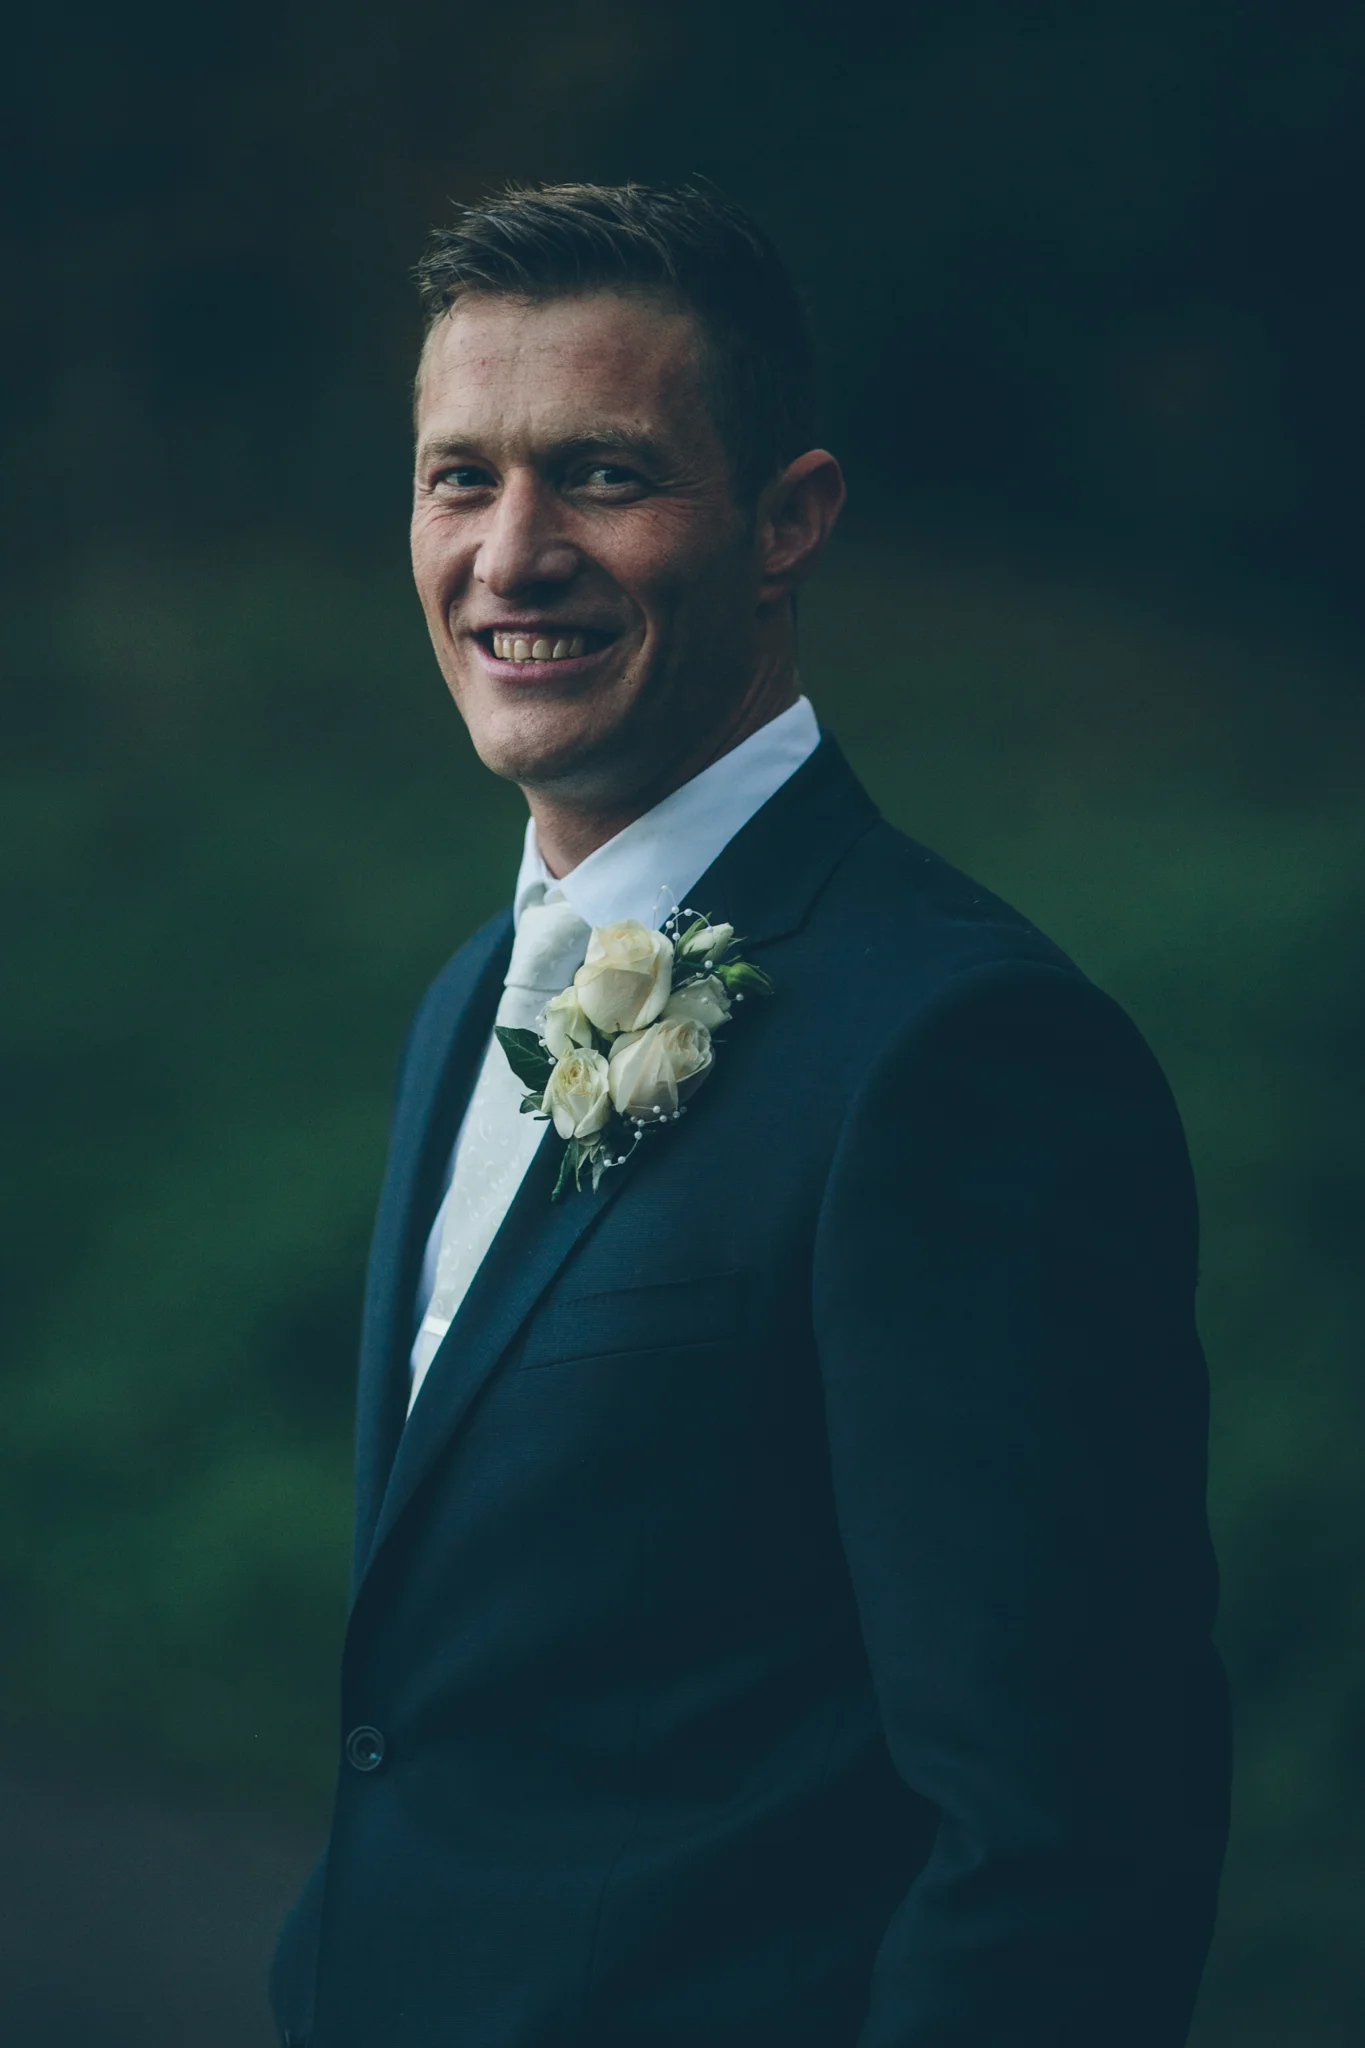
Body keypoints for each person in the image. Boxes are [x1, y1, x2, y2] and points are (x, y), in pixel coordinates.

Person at [270, 181, 1230, 2048]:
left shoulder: (964, 1052)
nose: (511, 554)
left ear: (790, 520)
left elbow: (1067, 1835)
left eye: (601, 475)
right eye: (460, 480)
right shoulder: (470, 1001)